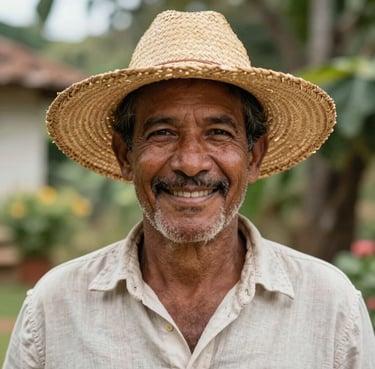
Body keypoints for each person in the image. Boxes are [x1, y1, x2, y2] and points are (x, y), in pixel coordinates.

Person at [3, 10, 375, 369]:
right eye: (162, 133)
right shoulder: (55, 308)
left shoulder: (330, 306)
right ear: (125, 155)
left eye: (218, 133)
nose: (191, 162)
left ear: (254, 157)